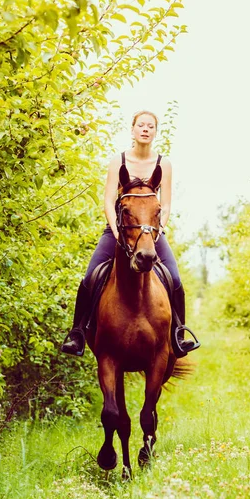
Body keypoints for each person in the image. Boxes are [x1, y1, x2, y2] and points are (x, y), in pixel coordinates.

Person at [61, 110, 198, 357]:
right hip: (119, 229)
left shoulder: (163, 164)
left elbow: (164, 204)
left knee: (175, 279)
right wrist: (114, 230)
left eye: (150, 126)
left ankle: (179, 335)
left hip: (151, 231)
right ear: (133, 130)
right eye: (141, 125)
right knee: (90, 276)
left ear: (155, 132)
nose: (145, 129)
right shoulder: (119, 161)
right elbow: (108, 199)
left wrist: (156, 233)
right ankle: (78, 333)